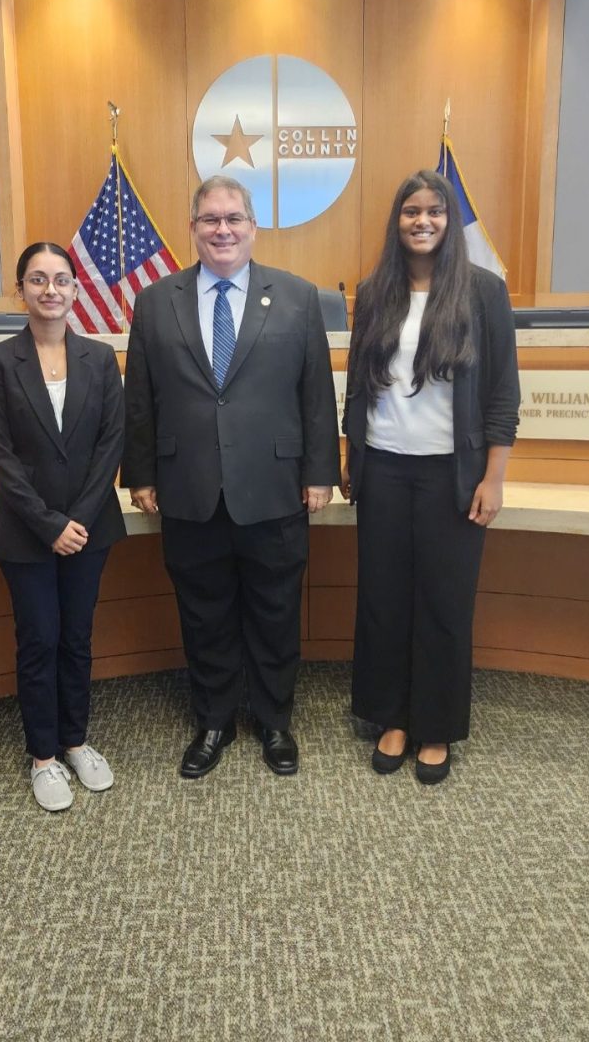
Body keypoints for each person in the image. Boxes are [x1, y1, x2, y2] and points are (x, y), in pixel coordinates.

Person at [122, 175, 340, 779]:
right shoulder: (155, 300)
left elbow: (316, 394)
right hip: (187, 486)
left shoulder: (297, 297)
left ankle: (274, 721)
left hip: (274, 485)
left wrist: (321, 472)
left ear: (253, 227)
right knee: (204, 610)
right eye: (210, 219)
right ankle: (214, 719)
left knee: (275, 609)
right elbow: (138, 396)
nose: (222, 229)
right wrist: (139, 472)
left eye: (233, 218)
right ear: (192, 228)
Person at [341, 170, 519, 785]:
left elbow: (502, 394)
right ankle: (390, 716)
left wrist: (493, 477)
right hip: (384, 467)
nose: (422, 221)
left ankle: (435, 726)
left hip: (453, 474)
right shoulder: (373, 292)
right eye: (410, 211)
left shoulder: (484, 293)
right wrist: (350, 452)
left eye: (434, 211)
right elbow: (357, 385)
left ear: (449, 221)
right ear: (397, 222)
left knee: (444, 601)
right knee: (384, 598)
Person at [0, 242, 126, 811]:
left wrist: (78, 520)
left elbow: (111, 443)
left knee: (78, 637)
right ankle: (43, 756)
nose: (50, 290)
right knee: (39, 639)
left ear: (75, 289)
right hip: (24, 530)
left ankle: (76, 740)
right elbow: (1, 456)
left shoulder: (100, 357)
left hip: (88, 528)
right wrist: (48, 525)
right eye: (37, 280)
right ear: (21, 291)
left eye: (61, 279)